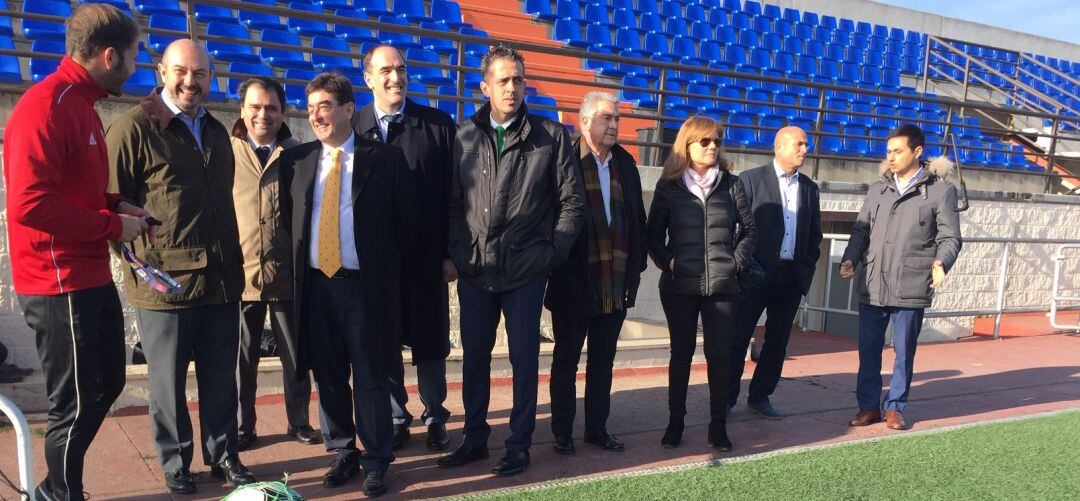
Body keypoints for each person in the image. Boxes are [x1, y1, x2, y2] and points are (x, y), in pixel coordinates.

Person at [3, 5, 148, 499]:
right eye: (133, 56)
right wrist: (112, 225)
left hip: (86, 275)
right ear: (110, 56)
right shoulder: (47, 105)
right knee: (75, 403)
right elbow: (29, 205)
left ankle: (56, 488)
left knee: (106, 385)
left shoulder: (82, 104)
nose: (136, 67)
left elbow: (75, 192)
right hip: (57, 281)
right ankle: (61, 494)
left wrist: (117, 204)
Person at [106, 39, 254, 494]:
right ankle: (174, 463)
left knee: (219, 378)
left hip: (219, 278)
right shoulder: (132, 128)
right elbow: (111, 206)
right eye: (182, 72)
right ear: (161, 71)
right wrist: (140, 266)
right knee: (167, 384)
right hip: (164, 287)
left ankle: (224, 455)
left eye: (201, 73)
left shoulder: (217, 130)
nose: (191, 81)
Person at [439, 44, 585, 476]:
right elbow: (450, 205)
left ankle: (519, 444)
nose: (512, 87)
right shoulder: (463, 136)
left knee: (524, 360)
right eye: (503, 80)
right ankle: (474, 438)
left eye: (519, 79)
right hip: (476, 270)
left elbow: (572, 204)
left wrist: (548, 255)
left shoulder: (550, 135)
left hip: (526, 270)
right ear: (485, 86)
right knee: (474, 359)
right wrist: (462, 254)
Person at [280, 72, 418, 497]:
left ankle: (377, 458)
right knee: (329, 376)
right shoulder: (297, 161)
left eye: (324, 106)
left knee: (372, 375)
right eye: (310, 108)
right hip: (316, 287)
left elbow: (405, 227)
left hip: (364, 289)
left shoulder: (386, 159)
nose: (315, 115)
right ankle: (342, 450)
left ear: (346, 109)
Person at [352, 45, 457, 452]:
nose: (395, 77)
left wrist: (450, 254)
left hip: (426, 260)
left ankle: (435, 415)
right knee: (385, 341)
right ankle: (398, 416)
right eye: (385, 71)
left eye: (400, 69)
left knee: (430, 344)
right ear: (368, 78)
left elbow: (454, 195)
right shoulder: (353, 126)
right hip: (374, 263)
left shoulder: (436, 125)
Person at [840, 124, 962, 431]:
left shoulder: (940, 191)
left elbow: (950, 238)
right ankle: (868, 406)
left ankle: (895, 407)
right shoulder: (877, 189)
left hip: (911, 284)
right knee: (868, 350)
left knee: (904, 351)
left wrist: (941, 263)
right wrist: (850, 257)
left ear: (917, 152)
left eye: (897, 151)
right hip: (873, 283)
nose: (890, 157)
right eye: (888, 152)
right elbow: (861, 230)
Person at [645, 115, 756, 452]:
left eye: (717, 141)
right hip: (680, 285)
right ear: (688, 144)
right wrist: (670, 261)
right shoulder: (669, 186)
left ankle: (717, 426)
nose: (712, 147)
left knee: (719, 357)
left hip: (723, 286)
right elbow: (652, 235)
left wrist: (734, 265)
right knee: (681, 354)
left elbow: (750, 231)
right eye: (705, 141)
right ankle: (675, 422)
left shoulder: (732, 184)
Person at [545, 92, 647, 455]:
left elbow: (637, 221)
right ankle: (561, 431)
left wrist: (636, 265)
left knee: (603, 362)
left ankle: (596, 429)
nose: (615, 124)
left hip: (614, 283)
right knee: (566, 361)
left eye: (617, 117)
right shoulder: (565, 159)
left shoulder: (626, 164)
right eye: (607, 118)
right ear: (584, 121)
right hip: (573, 281)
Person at [230, 77, 320, 451]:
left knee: (296, 357)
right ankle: (241, 425)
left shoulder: (299, 154)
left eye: (270, 107)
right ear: (242, 110)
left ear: (283, 111)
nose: (262, 115)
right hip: (240, 274)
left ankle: (298, 421)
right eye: (255, 107)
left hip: (287, 274)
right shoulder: (225, 151)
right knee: (241, 360)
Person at [727, 126, 822, 419]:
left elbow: (814, 235)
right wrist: (741, 264)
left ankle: (760, 396)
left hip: (790, 276)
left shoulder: (809, 187)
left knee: (778, 340)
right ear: (778, 146)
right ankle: (725, 399)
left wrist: (805, 265)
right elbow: (735, 228)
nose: (805, 149)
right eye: (799, 144)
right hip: (753, 275)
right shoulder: (751, 180)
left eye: (806, 144)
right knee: (738, 338)